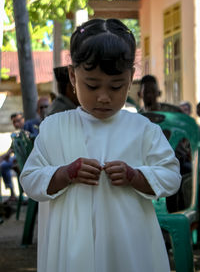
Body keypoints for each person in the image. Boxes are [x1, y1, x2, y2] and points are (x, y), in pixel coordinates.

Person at [20, 19, 181, 272]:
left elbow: (171, 175)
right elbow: (30, 179)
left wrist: (136, 176)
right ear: (73, 76)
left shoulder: (143, 129)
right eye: (92, 85)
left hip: (128, 240)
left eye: (116, 86)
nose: (104, 97)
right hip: (72, 244)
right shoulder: (55, 128)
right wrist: (64, 173)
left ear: (130, 80)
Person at [0, 112, 24, 203]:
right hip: (17, 159)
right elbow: (11, 150)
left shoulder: (27, 129)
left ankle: (19, 193)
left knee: (5, 165)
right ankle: (12, 193)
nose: (16, 124)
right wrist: (4, 156)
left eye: (18, 120)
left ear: (23, 119)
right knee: (3, 164)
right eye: (14, 122)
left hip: (24, 160)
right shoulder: (17, 133)